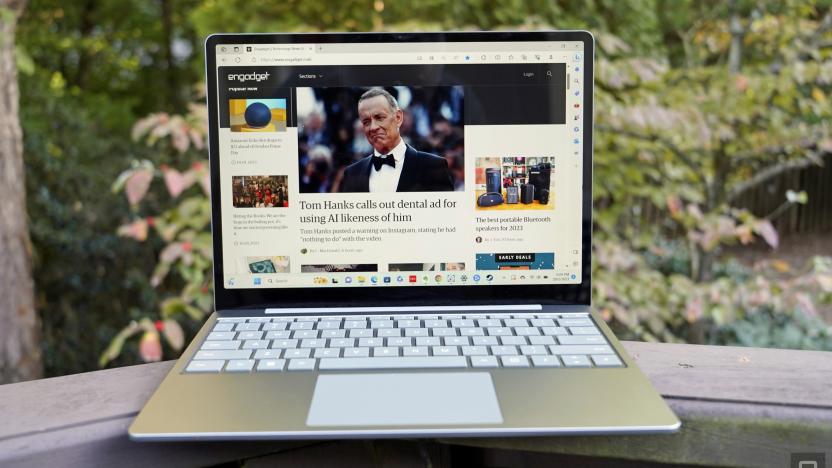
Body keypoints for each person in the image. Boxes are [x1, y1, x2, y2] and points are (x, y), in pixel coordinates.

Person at [340, 88, 454, 192]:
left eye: (379, 118)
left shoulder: (433, 166)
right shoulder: (352, 173)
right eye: (366, 122)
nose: (373, 127)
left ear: (398, 117)